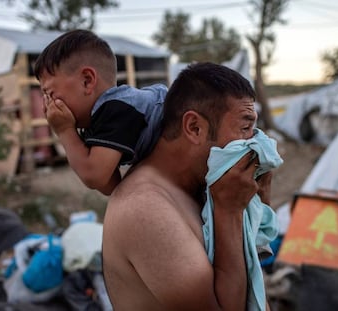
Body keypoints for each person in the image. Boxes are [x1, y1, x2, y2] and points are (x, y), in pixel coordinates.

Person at [102, 62, 277, 311]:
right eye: (245, 128)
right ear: (195, 128)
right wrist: (229, 212)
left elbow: (247, 274)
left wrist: (259, 199)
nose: (255, 142)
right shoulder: (145, 207)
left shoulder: (203, 185)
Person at [33, 29, 167, 195]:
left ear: (87, 81)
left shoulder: (117, 108)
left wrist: (64, 131)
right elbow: (110, 185)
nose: (47, 106)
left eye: (50, 94)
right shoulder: (96, 121)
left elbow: (94, 176)